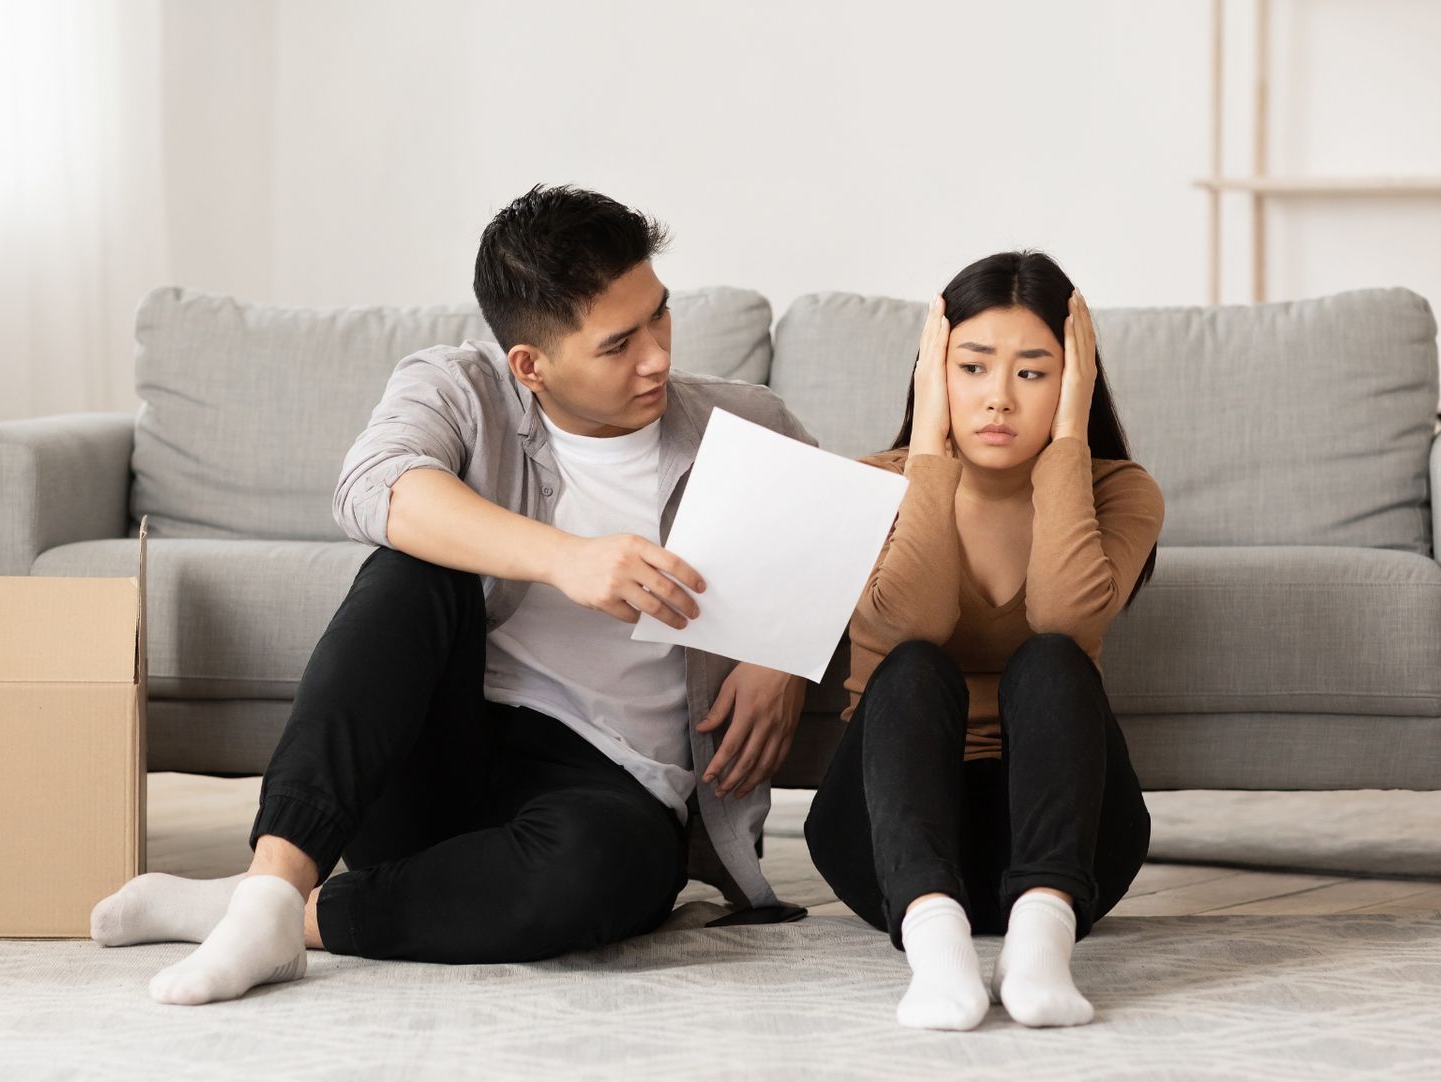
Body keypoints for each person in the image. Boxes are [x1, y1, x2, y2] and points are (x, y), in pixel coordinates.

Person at [91, 184, 815, 1005]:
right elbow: (373, 485)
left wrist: (780, 653)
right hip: (439, 749)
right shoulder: (459, 386)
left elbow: (843, 545)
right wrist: (565, 559)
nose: (655, 356)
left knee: (604, 877)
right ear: (529, 364)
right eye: (618, 344)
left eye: (660, 316)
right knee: (410, 567)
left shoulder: (748, 425)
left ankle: (264, 914)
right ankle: (272, 883)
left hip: (614, 783)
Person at [804, 251, 1164, 1030]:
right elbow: (912, 624)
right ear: (934, 373)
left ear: (1075, 381)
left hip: (1065, 849)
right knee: (912, 666)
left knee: (1053, 659)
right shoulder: (875, 486)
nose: (998, 397)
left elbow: (1067, 617)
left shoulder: (1120, 492)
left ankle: (1041, 943)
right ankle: (937, 949)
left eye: (1034, 373)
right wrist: (929, 452)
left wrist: (1068, 444)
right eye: (971, 367)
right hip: (888, 835)